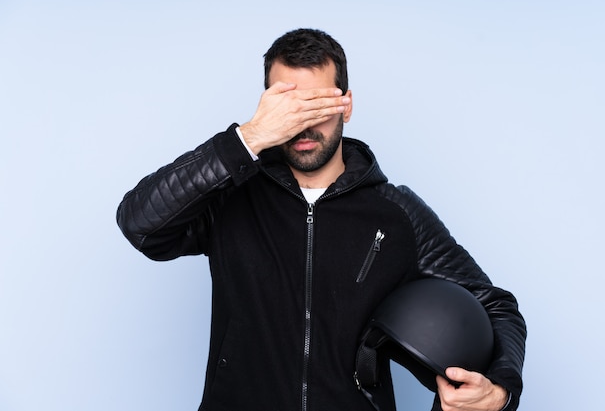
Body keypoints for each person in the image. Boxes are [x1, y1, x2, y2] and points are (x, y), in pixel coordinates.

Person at [116, 28, 526, 411]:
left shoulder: (396, 211)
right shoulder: (232, 198)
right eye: (290, 107)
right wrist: (250, 137)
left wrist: (501, 389)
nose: (304, 123)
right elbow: (140, 223)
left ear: (346, 105)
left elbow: (495, 305)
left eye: (318, 104)